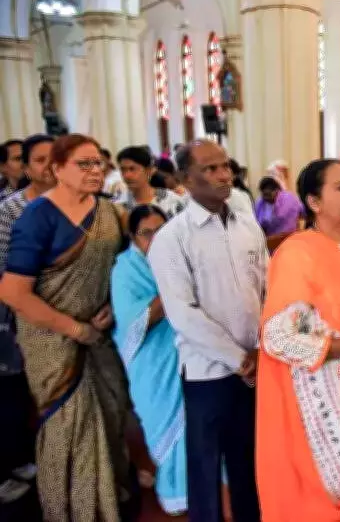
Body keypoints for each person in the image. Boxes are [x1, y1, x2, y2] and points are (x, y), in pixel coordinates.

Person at [0, 133, 135, 521]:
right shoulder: (37, 217)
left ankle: (109, 500)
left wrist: (111, 306)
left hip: (100, 332)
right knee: (68, 425)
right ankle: (72, 510)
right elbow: (13, 291)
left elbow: (122, 271)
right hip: (51, 337)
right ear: (57, 169)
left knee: (111, 412)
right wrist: (75, 330)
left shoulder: (110, 213)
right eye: (84, 164)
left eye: (98, 163)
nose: (95, 170)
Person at [255, 158, 340, 521]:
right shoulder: (296, 253)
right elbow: (279, 336)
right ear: (313, 202)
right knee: (327, 491)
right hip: (325, 387)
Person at [148, 139, 264, 522]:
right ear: (185, 179)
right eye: (210, 169)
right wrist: (239, 358)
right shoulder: (172, 238)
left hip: (256, 365)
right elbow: (183, 313)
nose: (223, 175)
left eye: (225, 166)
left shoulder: (248, 226)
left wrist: (262, 348)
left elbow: (266, 288)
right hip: (208, 371)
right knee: (205, 464)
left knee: (248, 458)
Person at [110, 204, 188, 515]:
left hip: (186, 356)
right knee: (163, 425)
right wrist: (174, 286)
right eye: (147, 233)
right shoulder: (125, 270)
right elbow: (134, 321)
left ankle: (195, 489)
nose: (156, 238)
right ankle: (173, 494)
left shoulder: (178, 258)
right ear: (133, 237)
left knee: (193, 426)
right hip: (151, 362)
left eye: (162, 231)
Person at [0, 134, 55, 504]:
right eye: (38, 160)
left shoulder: (83, 205)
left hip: (77, 314)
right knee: (24, 393)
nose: (48, 167)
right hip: (26, 315)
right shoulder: (11, 209)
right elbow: (7, 269)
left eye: (55, 158)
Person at [116, 146, 185, 218]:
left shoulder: (170, 200)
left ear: (149, 170)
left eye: (132, 169)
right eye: (123, 170)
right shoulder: (119, 205)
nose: (127, 175)